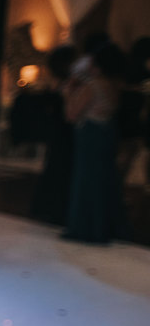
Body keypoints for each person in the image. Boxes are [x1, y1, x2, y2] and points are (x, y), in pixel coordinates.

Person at [63, 42, 126, 243]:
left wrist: (69, 91)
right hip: (106, 135)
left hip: (90, 136)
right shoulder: (114, 86)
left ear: (97, 65)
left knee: (86, 182)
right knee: (102, 182)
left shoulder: (94, 85)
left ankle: (84, 229)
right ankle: (101, 227)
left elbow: (72, 114)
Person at [31, 45, 78, 226]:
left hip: (59, 133)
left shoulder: (58, 84)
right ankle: (56, 210)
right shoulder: (66, 85)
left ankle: (50, 209)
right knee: (61, 170)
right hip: (64, 134)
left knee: (55, 168)